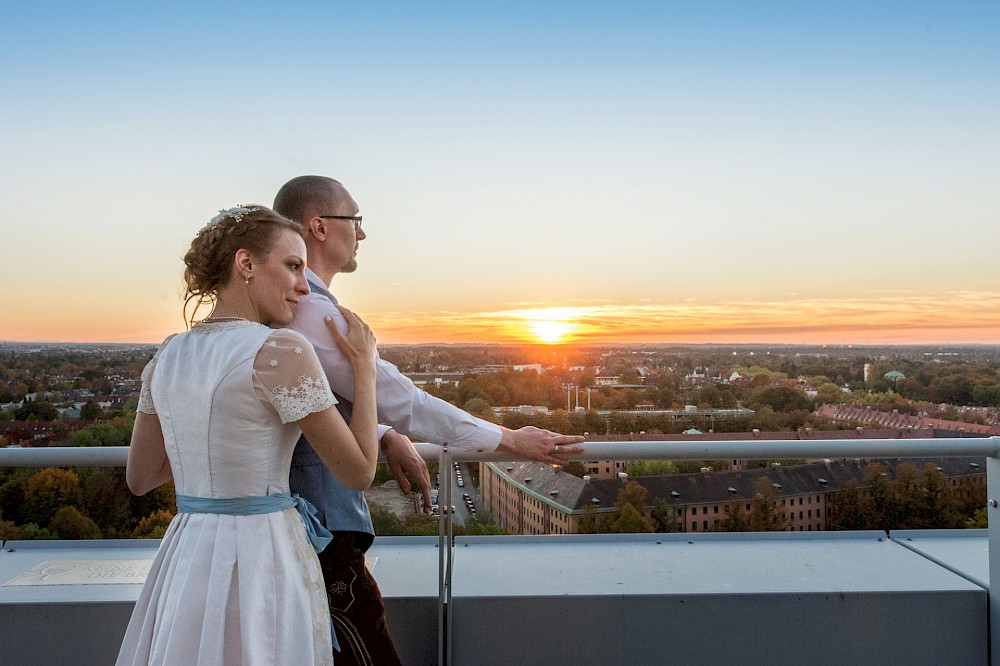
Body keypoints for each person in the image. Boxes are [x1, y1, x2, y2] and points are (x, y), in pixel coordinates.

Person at [273, 176, 587, 665]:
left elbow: (305, 405)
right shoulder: (313, 313)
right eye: (354, 220)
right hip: (320, 533)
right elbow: (409, 403)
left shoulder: (288, 311)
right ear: (318, 226)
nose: (362, 233)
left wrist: (382, 434)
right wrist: (509, 438)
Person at [116, 205, 380, 666]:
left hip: (188, 550)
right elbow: (358, 471)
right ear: (246, 264)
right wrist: (365, 368)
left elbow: (141, 477)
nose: (303, 285)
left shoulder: (170, 354)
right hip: (262, 550)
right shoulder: (280, 349)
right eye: (294, 266)